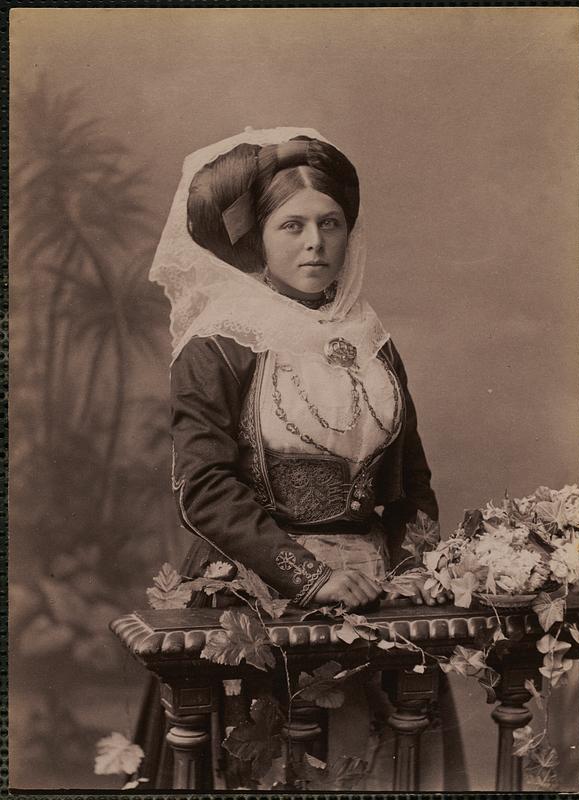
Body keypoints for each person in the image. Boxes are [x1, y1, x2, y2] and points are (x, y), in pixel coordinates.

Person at [143, 126, 462, 789]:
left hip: (376, 603)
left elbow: (411, 485)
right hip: (261, 594)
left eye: (330, 223)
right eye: (291, 225)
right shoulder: (219, 344)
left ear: (350, 234)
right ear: (258, 237)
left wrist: (410, 576)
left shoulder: (371, 344)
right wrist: (308, 576)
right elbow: (203, 487)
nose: (314, 242)